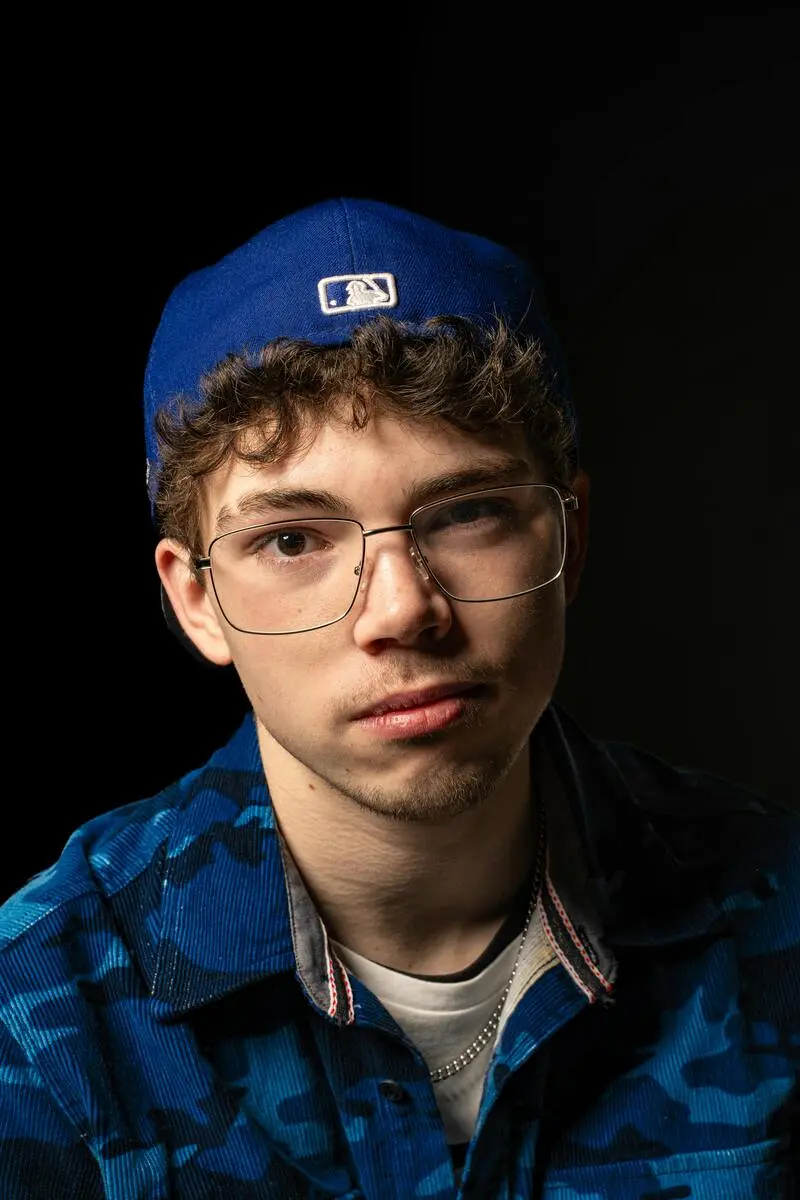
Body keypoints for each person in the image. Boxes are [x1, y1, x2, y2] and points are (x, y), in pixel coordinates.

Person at [0, 197, 796, 1200]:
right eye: (291, 540)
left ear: (570, 540)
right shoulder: (38, 1010)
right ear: (194, 598)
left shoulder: (779, 929)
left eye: (465, 514)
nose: (403, 610)